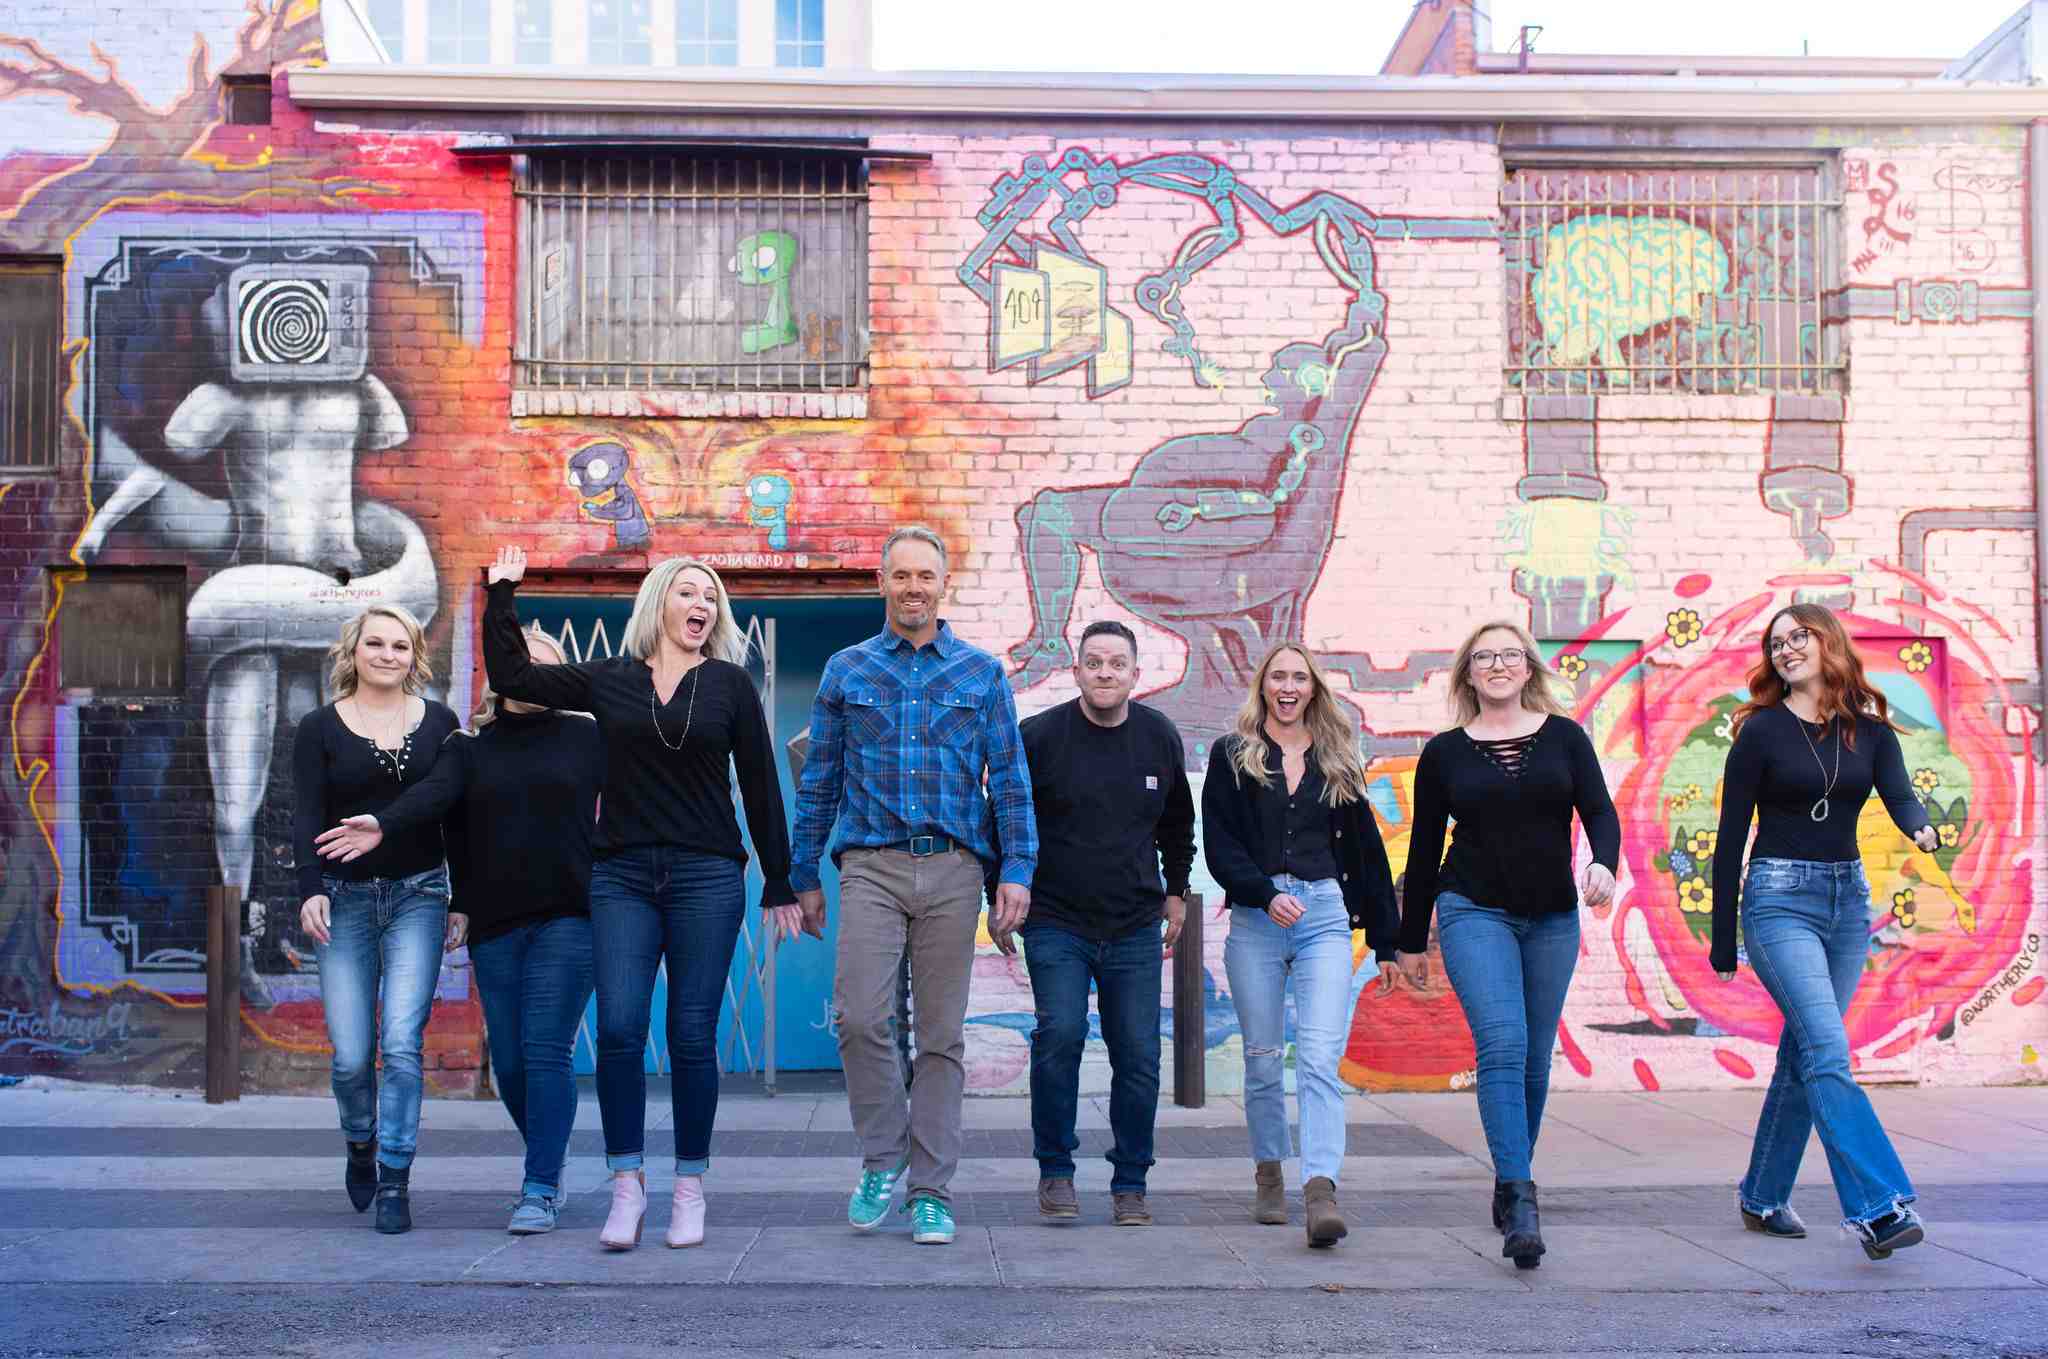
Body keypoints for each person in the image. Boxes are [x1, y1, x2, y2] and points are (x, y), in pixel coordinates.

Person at [482, 546, 806, 1252]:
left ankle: (689, 1185)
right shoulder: (610, 680)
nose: (702, 605)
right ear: (659, 600)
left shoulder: (728, 686)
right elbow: (511, 673)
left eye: (711, 598)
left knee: (692, 1034)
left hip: (706, 876)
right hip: (622, 876)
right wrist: (502, 594)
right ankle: (626, 1182)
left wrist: (779, 879)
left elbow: (758, 784)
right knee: (621, 1030)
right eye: (689, 592)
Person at [790, 525, 1037, 1246]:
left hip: (957, 869)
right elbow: (820, 781)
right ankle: (882, 1155)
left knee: (940, 1035)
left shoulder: (982, 674)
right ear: (882, 584)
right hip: (870, 864)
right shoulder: (848, 670)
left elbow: (1011, 782)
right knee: (860, 1019)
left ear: (943, 582)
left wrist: (1015, 870)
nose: (913, 588)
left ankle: (931, 1189)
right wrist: (803, 873)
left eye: (924, 575)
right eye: (900, 575)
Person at [314, 626, 603, 1237]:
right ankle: (547, 1154)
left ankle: (540, 1185)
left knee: (547, 1050)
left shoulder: (589, 735)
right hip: (495, 923)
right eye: (518, 660)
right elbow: (442, 809)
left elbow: (641, 796)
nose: (529, 673)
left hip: (570, 917)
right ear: (497, 671)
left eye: (545, 665)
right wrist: (385, 828)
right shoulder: (469, 747)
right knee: (513, 1067)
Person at [1711, 603, 1938, 1261]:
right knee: (1829, 1050)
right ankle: (1879, 1205)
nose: (1785, 649)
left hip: (1846, 903)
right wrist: (1724, 936)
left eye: (1798, 637)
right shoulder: (1758, 733)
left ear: (1827, 643)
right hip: (1779, 901)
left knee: (1805, 1050)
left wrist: (1921, 826)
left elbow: (1898, 794)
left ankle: (1761, 1193)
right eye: (1775, 642)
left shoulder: (1870, 734)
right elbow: (1730, 836)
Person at [1395, 620, 1619, 1271]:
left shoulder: (1566, 738)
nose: (1497, 664)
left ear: (1528, 668)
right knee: (1502, 1040)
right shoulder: (1445, 752)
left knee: (1534, 1057)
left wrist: (1604, 862)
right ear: (1468, 672)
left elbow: (1600, 811)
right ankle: (1521, 1198)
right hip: (1473, 908)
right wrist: (1412, 938)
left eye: (1509, 655)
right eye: (1484, 656)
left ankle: (1508, 1172)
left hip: (1551, 916)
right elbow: (1425, 844)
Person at [1201, 642, 1399, 1249]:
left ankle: (1320, 1189)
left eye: (1300, 678)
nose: (1288, 686)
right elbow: (1220, 841)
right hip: (1259, 924)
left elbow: (1365, 851)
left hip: (1323, 917)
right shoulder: (1233, 754)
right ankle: (1268, 1171)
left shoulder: (1339, 757)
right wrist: (1261, 892)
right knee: (1262, 1059)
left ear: (1313, 688)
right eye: (1278, 676)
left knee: (1316, 1056)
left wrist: (1387, 943)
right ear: (1263, 685)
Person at [1008, 620, 1195, 1227]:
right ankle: (1055, 1172)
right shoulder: (1039, 737)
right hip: (1055, 920)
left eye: (1117, 663)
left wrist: (1175, 893)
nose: (1106, 672)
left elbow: (1176, 825)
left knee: (1138, 1053)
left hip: (1134, 924)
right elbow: (1007, 820)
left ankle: (1131, 1181)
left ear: (1135, 674)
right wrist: (1000, 892)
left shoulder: (1158, 737)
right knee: (1059, 1036)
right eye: (1095, 662)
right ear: (1077, 670)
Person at [293, 604, 462, 1236]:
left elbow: (452, 811)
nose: (387, 654)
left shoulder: (440, 723)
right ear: (353, 652)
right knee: (351, 1055)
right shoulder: (319, 728)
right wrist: (310, 890)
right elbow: (304, 814)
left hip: (420, 894)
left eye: (400, 645)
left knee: (400, 1045)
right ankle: (359, 1140)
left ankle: (395, 1176)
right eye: (375, 644)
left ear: (414, 656)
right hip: (344, 898)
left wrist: (461, 897)